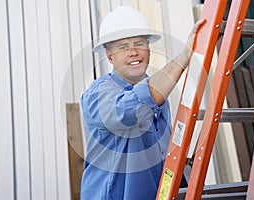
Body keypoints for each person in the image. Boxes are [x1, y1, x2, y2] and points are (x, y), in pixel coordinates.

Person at [80, 5, 204, 200]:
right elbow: (128, 111)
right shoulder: (98, 95)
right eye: (123, 47)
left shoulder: (159, 98)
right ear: (110, 57)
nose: (133, 52)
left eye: (139, 44)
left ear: (149, 49)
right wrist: (183, 58)